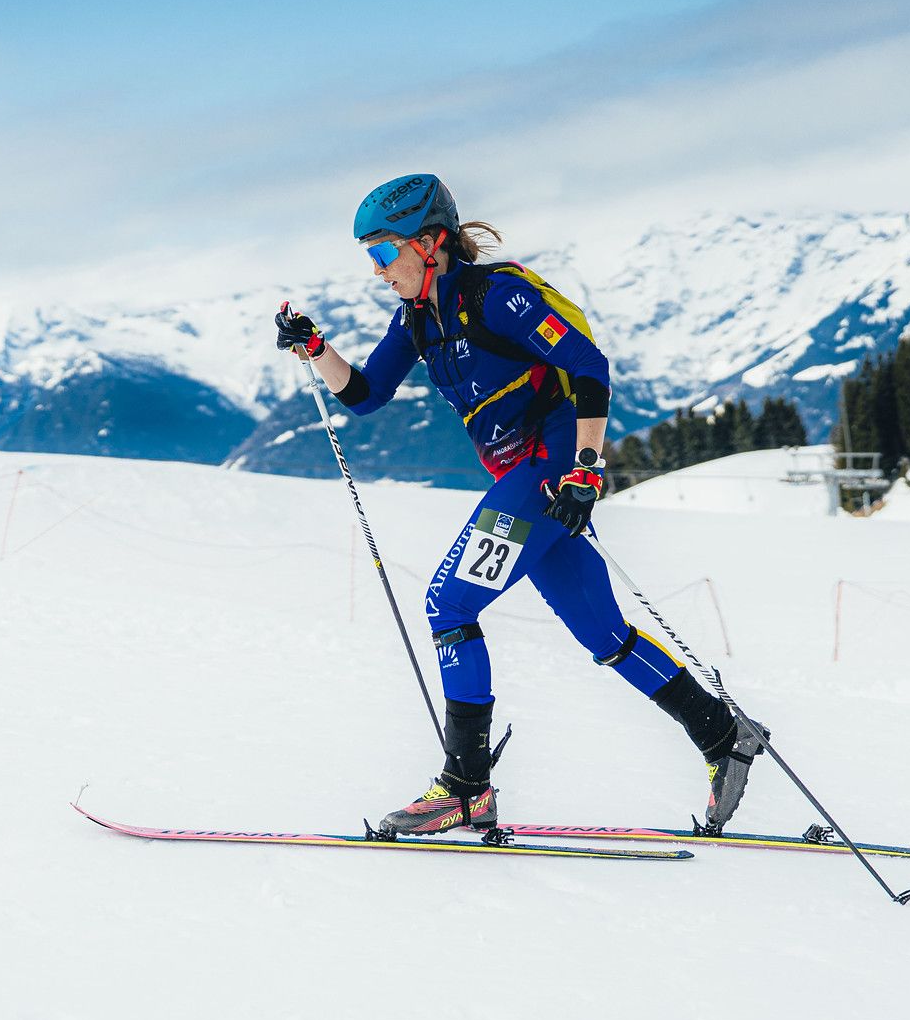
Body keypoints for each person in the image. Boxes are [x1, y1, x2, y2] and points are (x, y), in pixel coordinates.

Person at [274, 173, 761, 837]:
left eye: (385, 254)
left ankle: (466, 785)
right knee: (605, 634)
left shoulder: (495, 298)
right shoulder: (419, 319)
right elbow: (363, 395)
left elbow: (589, 366)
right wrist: (314, 344)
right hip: (530, 478)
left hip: (551, 470)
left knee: (449, 602)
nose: (380, 271)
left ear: (429, 243)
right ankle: (721, 732)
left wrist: (586, 471)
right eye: (371, 258)